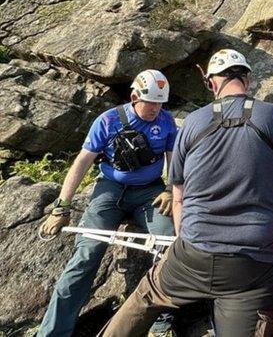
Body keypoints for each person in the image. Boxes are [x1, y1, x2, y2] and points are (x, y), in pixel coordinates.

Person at [99, 48, 273, 337]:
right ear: (247, 79)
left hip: (193, 253)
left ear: (211, 83)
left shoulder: (192, 122)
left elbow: (179, 195)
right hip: (252, 264)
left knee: (145, 297)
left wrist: (186, 240)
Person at [37, 69, 177, 337]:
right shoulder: (109, 120)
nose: (156, 109)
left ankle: (161, 321)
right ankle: (52, 332)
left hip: (150, 193)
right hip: (110, 190)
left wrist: (170, 189)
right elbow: (83, 161)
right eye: (151, 103)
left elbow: (175, 160)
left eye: (161, 103)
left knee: (167, 243)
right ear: (135, 97)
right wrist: (61, 206)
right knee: (87, 252)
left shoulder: (167, 122)